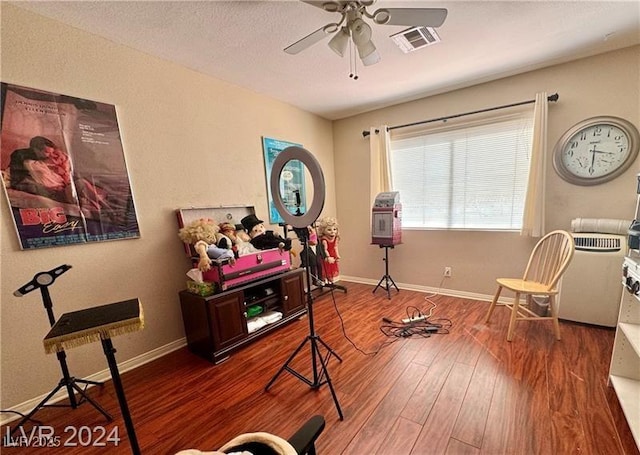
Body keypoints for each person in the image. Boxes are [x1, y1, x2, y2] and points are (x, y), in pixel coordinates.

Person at [318, 217, 340, 283]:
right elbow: (325, 250)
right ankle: (325, 279)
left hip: (333, 255)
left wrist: (337, 255)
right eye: (329, 230)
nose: (332, 232)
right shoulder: (324, 240)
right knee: (326, 269)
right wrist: (328, 257)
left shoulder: (336, 238)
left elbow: (335, 247)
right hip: (327, 256)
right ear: (323, 231)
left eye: (334, 229)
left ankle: (331, 279)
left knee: (332, 268)